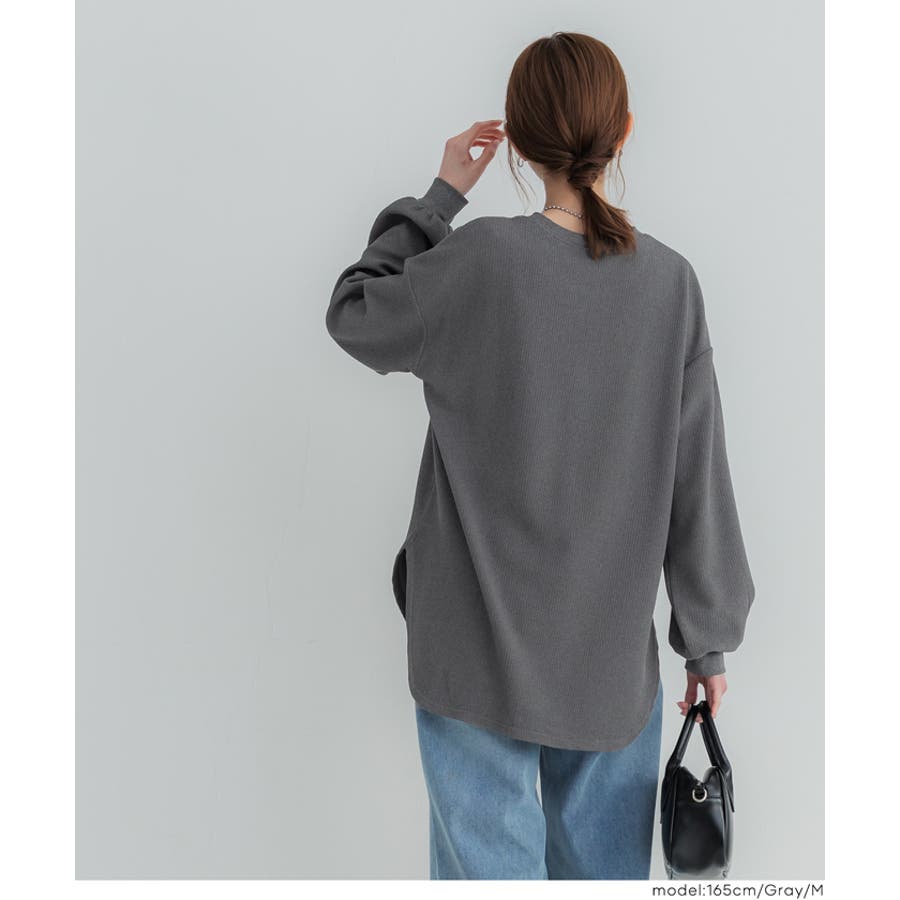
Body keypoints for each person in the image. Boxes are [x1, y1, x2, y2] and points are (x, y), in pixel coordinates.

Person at [326, 31, 755, 880]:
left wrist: (442, 195)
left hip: (470, 656)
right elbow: (697, 474)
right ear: (623, 132)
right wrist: (705, 643)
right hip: (606, 664)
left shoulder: (478, 260)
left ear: (517, 143)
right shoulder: (670, 284)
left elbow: (354, 313)